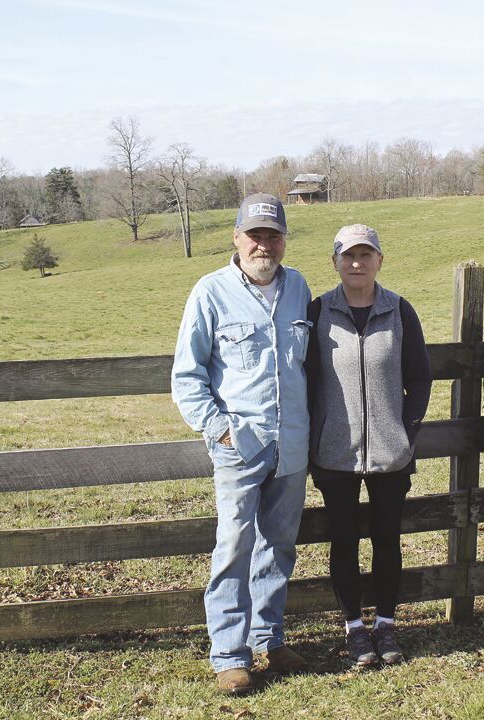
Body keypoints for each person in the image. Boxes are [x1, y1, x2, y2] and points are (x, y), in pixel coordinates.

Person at [171, 193, 312, 695]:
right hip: (239, 445)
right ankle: (230, 655)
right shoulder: (210, 293)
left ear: (283, 240)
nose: (263, 245)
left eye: (273, 235)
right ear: (236, 237)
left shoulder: (298, 288)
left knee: (280, 545)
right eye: (254, 235)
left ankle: (269, 639)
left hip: (292, 444)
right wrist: (221, 429)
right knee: (234, 545)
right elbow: (187, 377)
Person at [306, 224, 432, 667]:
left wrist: (407, 432)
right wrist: (316, 436)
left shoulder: (400, 310)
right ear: (335, 261)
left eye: (366, 255)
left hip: (390, 452)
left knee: (386, 539)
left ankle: (385, 623)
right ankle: (354, 629)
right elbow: (308, 381)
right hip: (334, 454)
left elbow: (419, 379)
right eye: (348, 256)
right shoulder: (319, 311)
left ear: (380, 260)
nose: (357, 263)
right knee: (343, 541)